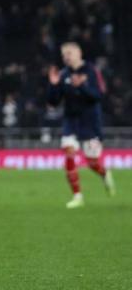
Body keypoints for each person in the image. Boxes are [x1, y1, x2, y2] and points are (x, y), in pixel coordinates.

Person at [48, 42, 116, 209]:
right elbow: (53, 102)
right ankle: (77, 196)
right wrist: (54, 85)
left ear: (79, 53)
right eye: (64, 55)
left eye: (69, 53)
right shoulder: (63, 75)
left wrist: (83, 86)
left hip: (90, 123)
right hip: (71, 121)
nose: (66, 57)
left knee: (92, 162)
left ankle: (105, 174)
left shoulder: (92, 71)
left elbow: (99, 95)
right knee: (69, 153)